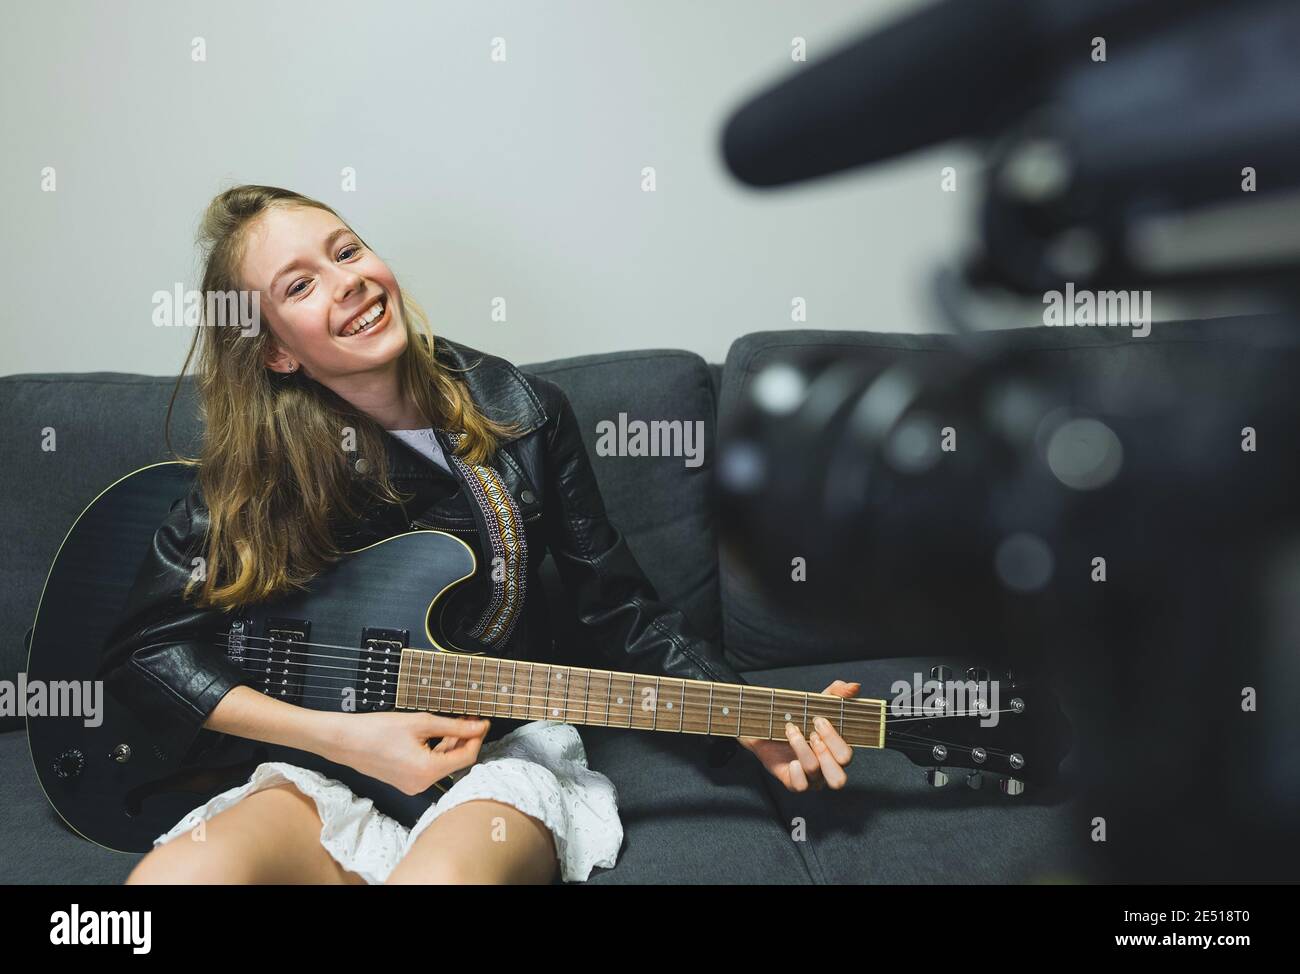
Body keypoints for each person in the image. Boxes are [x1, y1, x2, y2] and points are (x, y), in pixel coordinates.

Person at [108, 184, 860, 885]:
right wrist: (342, 739)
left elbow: (619, 611)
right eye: (299, 286)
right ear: (276, 350)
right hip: (323, 767)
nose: (346, 282)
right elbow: (147, 652)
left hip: (491, 761)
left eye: (346, 251)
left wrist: (734, 717)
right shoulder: (260, 466)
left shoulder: (523, 409)